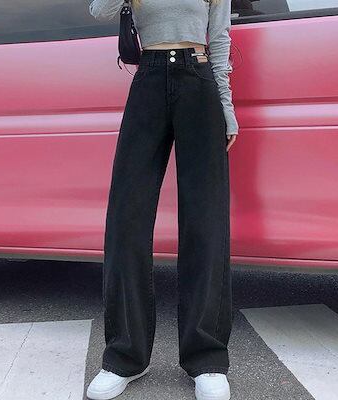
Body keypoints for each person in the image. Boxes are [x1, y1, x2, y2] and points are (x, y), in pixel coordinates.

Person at [87, 0, 239, 399]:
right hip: (149, 79)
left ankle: (207, 359)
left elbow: (219, 38)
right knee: (127, 219)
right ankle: (125, 356)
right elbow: (98, 10)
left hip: (198, 79)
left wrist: (225, 106)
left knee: (205, 220)